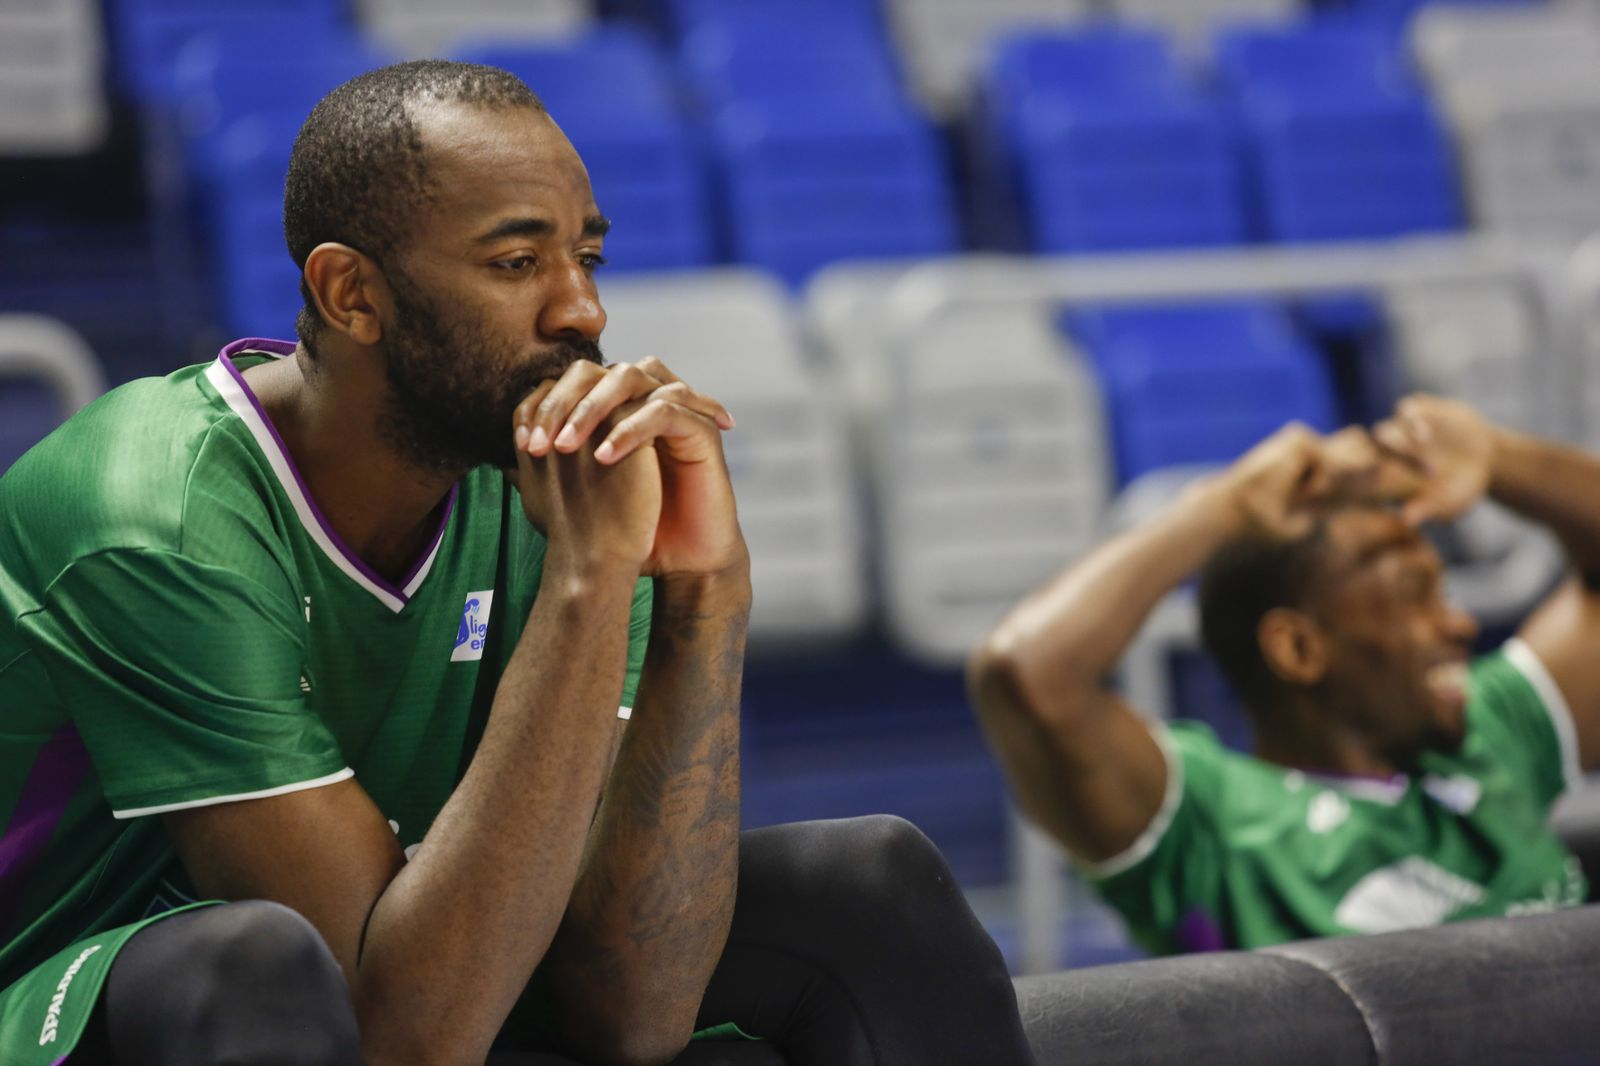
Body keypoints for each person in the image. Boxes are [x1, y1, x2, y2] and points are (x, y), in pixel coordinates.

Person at [0, 61, 1035, 1066]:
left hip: (410, 951)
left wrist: (702, 594)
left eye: (588, 257)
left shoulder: (560, 483)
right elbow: (392, 1036)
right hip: (77, 994)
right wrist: (588, 581)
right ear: (352, 292)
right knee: (257, 963)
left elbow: (637, 1007)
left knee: (865, 889)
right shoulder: (151, 512)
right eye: (515, 262)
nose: (580, 311)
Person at [970, 397, 1600, 955]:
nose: (1459, 624)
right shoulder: (1212, 825)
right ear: (1299, 648)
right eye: (1416, 595)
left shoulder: (1486, 732)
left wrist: (1499, 457)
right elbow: (1026, 674)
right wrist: (1222, 506)